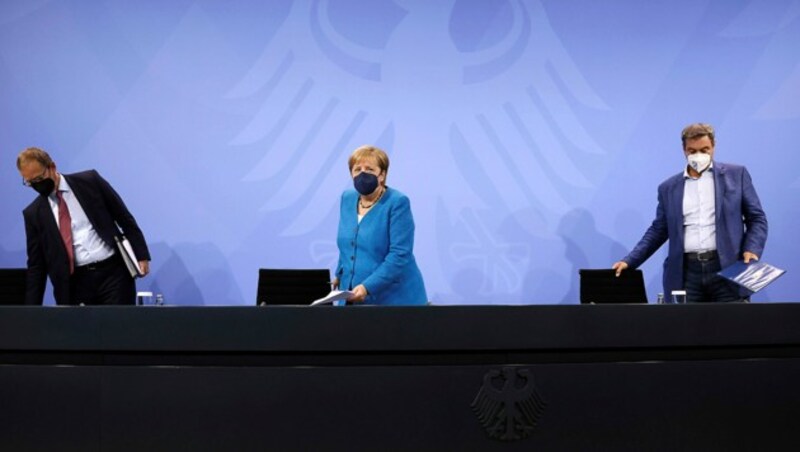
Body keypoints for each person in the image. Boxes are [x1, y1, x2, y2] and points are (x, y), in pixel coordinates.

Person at [612, 124, 768, 302]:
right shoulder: (668, 188)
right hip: (686, 275)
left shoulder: (736, 175)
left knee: (733, 328)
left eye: (704, 150)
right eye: (692, 151)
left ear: (714, 146)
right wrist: (630, 260)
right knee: (686, 329)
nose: (699, 155)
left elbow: (756, 218)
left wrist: (752, 249)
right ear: (683, 150)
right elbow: (658, 230)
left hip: (728, 270)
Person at [17, 147, 151, 305]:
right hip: (74, 285)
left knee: (119, 327)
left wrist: (141, 254)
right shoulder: (33, 214)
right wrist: (31, 312)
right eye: (31, 183)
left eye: (39, 179)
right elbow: (37, 265)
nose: (37, 186)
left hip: (113, 275)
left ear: (52, 167)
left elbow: (123, 217)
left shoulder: (90, 181)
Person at [332, 145, 427, 305]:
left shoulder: (397, 202)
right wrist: (340, 275)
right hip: (353, 297)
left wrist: (367, 287)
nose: (362, 174)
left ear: (382, 175)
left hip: (394, 300)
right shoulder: (347, 199)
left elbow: (399, 254)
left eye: (369, 169)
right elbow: (348, 245)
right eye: (357, 169)